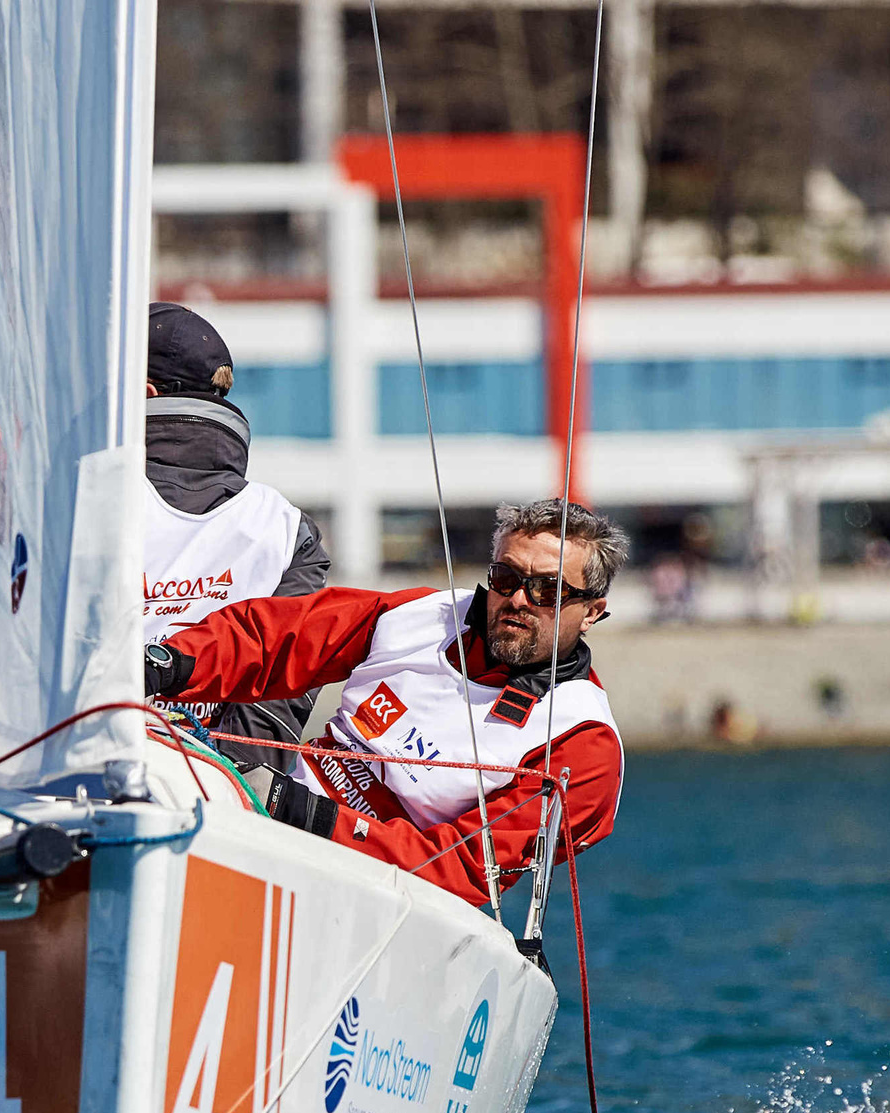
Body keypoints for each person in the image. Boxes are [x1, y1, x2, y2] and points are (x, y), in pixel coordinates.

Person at [144, 499, 627, 909]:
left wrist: (311, 818)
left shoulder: (583, 744)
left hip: (390, 898)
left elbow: (465, 867)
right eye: (505, 578)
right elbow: (281, 637)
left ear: (592, 612)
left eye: (547, 589)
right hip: (274, 814)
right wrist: (171, 663)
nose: (518, 599)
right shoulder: (421, 616)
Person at [141, 302, 328, 770]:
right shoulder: (287, 529)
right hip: (222, 804)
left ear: (140, 393)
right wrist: (224, 778)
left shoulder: (81, 498)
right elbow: (281, 692)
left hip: (75, 784)